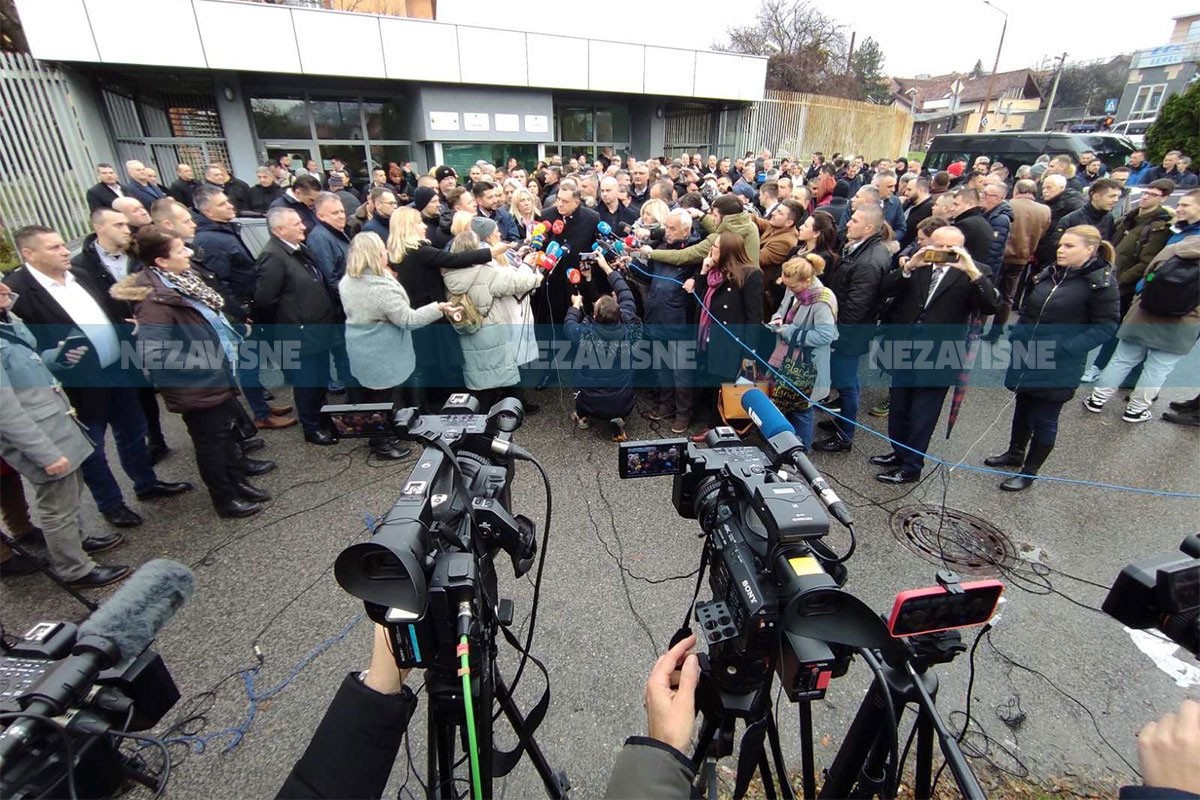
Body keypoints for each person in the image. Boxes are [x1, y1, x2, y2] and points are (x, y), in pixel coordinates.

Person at [5, 225, 194, 527]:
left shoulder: (78, 273)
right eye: (53, 247)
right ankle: (111, 504)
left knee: (133, 429)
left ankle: (146, 482)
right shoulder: (19, 291)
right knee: (92, 446)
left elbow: (106, 308)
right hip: (78, 384)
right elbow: (24, 346)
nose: (65, 250)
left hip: (117, 368)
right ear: (29, 254)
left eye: (61, 244)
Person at [113, 227, 268, 518]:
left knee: (226, 435)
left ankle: (238, 483)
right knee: (211, 443)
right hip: (195, 383)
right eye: (180, 250)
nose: (188, 253)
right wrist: (205, 362)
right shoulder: (154, 299)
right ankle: (224, 499)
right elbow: (154, 352)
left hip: (216, 373)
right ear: (161, 261)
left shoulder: (181, 280)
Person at [0, 280, 132, 587]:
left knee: (71, 496)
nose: (5, 289)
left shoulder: (7, 320)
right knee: (56, 506)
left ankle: (77, 541)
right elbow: (6, 413)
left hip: (57, 425)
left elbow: (25, 361)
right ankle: (75, 570)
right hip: (40, 438)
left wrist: (54, 358)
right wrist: (44, 454)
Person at [985, 225, 1119, 490]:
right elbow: (1029, 310)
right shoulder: (1052, 273)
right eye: (1061, 245)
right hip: (1029, 354)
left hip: (1060, 363)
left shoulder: (1101, 283)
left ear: (1089, 249)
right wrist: (1018, 335)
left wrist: (1065, 349)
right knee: (1023, 407)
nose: (1061, 250)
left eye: (1069, 246)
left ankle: (1029, 472)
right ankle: (1015, 452)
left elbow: (1106, 327)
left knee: (1044, 417)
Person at [871, 226, 1001, 484]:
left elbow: (991, 305)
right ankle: (898, 452)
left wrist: (971, 271)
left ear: (961, 248)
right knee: (899, 408)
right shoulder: (919, 265)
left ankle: (911, 466)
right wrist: (908, 268)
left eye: (948, 248)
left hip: (939, 355)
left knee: (923, 415)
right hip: (905, 347)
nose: (940, 252)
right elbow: (886, 288)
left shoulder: (976, 272)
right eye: (936, 245)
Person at [339, 233, 452, 460]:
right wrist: (438, 308)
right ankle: (381, 442)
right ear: (373, 257)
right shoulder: (380, 288)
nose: (387, 254)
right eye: (382, 251)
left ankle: (383, 433)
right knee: (381, 398)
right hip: (381, 351)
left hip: (361, 346)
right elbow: (407, 320)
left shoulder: (349, 280)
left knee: (371, 396)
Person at [69, 208, 168, 464]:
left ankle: (165, 435)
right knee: (140, 390)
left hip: (156, 327)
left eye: (127, 224)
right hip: (122, 336)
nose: (127, 229)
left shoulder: (138, 254)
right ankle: (151, 441)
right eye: (119, 225)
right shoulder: (82, 265)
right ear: (99, 227)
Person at [386, 208, 503, 409]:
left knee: (422, 363)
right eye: (419, 223)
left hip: (417, 314)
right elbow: (453, 260)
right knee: (430, 363)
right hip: (431, 313)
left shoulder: (398, 253)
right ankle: (424, 408)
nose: (424, 226)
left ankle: (423, 407)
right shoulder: (419, 251)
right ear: (409, 227)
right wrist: (491, 252)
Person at [1084, 236, 1200, 423]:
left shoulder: (1176, 247)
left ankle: (1096, 400)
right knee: (1158, 369)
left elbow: (1150, 274)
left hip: (1144, 314)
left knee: (1122, 359)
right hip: (1182, 323)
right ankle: (1135, 410)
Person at [254, 207, 341, 445]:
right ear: (279, 229)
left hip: (319, 328)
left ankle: (322, 418)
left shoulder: (298, 249)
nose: (303, 226)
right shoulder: (273, 256)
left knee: (320, 379)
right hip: (300, 334)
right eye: (296, 224)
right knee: (307, 382)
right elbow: (264, 300)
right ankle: (311, 427)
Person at [812, 205, 889, 453]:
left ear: (868, 227)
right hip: (848, 331)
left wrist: (836, 335)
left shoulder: (868, 260)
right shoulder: (862, 250)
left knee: (845, 383)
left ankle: (845, 436)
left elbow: (856, 306)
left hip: (849, 334)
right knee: (848, 382)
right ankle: (842, 423)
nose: (848, 224)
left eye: (854, 221)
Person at [1086, 179, 1178, 382]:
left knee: (1116, 328)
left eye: (1153, 194)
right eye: (1146, 192)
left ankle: (1102, 367)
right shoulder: (1130, 218)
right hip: (1110, 276)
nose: (1146, 197)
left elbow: (1147, 263)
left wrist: (1119, 280)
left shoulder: (1158, 227)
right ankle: (1101, 367)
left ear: (1164, 198)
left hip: (1124, 285)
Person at [444, 227, 541, 403]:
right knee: (501, 367)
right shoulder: (484, 272)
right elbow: (514, 284)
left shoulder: (448, 275)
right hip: (491, 328)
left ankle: (482, 410)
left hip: (467, 329)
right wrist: (534, 275)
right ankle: (512, 407)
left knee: (478, 370)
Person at [683, 231, 764, 434]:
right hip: (708, 336)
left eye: (716, 247)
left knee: (724, 387)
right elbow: (699, 302)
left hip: (730, 342)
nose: (711, 250)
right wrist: (702, 272)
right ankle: (709, 421)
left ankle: (718, 429)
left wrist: (749, 355)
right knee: (710, 382)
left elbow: (754, 317)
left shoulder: (750, 275)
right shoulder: (713, 273)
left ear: (728, 251)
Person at [766, 254, 838, 449]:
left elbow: (825, 336)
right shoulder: (795, 287)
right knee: (782, 401)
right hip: (786, 356)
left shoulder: (823, 300)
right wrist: (778, 318)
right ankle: (782, 446)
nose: (789, 290)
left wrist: (789, 331)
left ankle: (801, 451)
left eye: (793, 287)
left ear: (807, 281)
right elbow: (783, 308)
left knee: (802, 408)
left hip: (807, 365)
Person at [565, 253, 638, 441]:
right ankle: (617, 422)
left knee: (578, 369)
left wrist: (575, 306)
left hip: (590, 402)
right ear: (619, 311)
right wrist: (606, 267)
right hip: (623, 401)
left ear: (595, 316)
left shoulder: (585, 333)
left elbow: (569, 326)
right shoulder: (630, 327)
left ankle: (583, 417)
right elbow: (625, 292)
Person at [988, 179, 1050, 341]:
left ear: (1016, 190)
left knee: (988, 289)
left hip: (1001, 254)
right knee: (1008, 295)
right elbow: (1042, 234)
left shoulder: (1008, 205)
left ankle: (979, 327)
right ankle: (996, 331)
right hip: (1023, 257)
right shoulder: (1044, 210)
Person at [753, 199, 803, 317]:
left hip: (761, 294)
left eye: (779, 212)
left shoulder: (785, 241)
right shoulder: (776, 225)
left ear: (789, 222)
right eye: (776, 210)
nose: (774, 213)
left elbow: (756, 258)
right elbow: (758, 221)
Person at [1033, 174, 1084, 268]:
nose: (1044, 191)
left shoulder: (1072, 205)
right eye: (1043, 188)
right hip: (1042, 254)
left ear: (1062, 187)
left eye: (1049, 188)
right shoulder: (1045, 202)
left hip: (1056, 256)